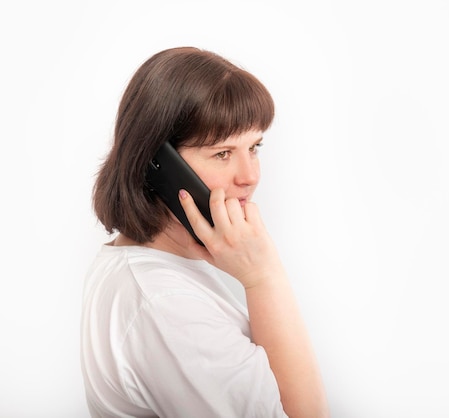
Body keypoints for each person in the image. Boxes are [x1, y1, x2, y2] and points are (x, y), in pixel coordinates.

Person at [81, 46, 329, 418]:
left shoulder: (154, 269)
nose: (250, 176)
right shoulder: (165, 306)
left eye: (254, 146)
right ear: (159, 165)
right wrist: (264, 278)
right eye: (222, 153)